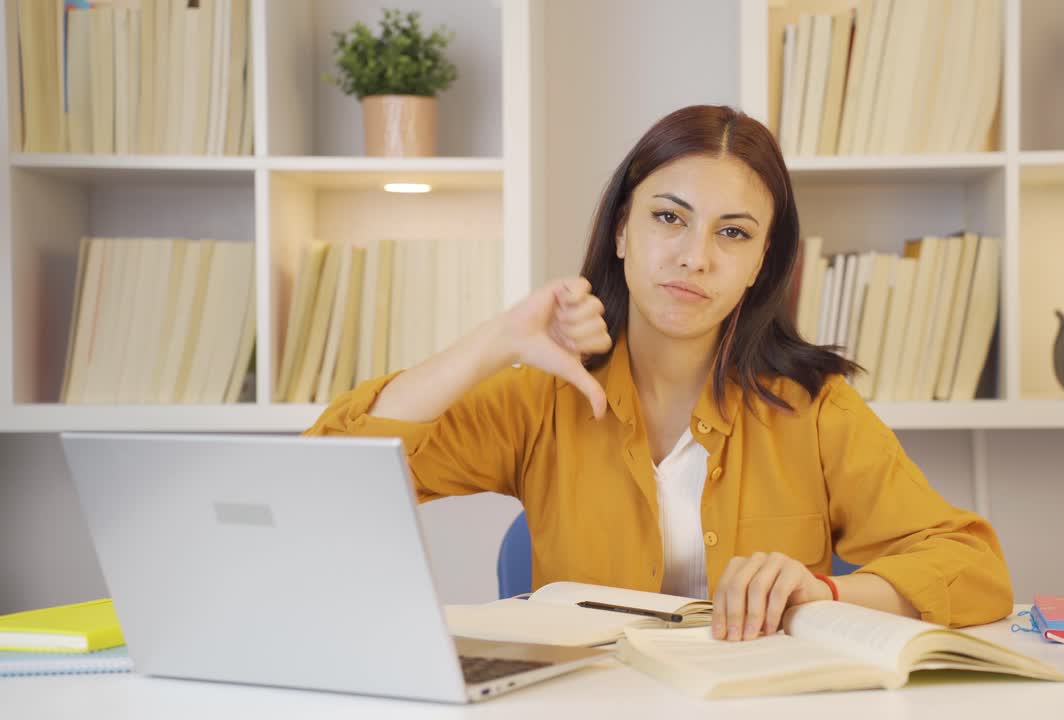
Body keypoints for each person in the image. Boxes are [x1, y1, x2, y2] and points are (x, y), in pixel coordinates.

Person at [305, 104, 1013, 642]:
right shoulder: (540, 396)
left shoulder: (815, 408)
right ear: (621, 230)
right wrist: (493, 342)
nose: (694, 257)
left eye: (731, 233)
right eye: (669, 218)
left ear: (762, 261)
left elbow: (973, 568)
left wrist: (819, 592)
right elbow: (326, 484)